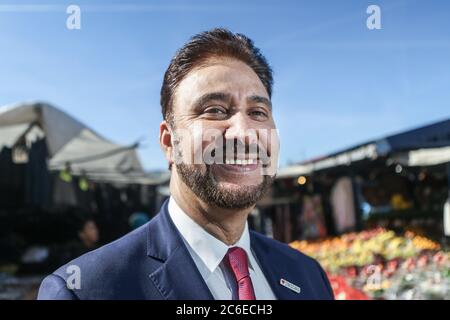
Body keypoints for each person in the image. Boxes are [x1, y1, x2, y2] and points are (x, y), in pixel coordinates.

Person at [38, 28, 334, 300]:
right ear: (169, 142)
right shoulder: (85, 290)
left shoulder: (308, 275)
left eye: (258, 112)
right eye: (215, 110)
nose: (244, 133)